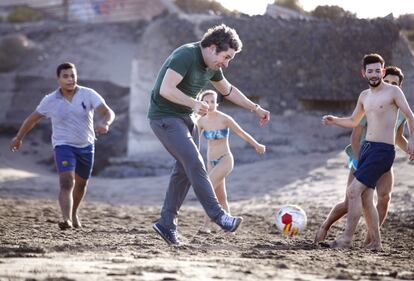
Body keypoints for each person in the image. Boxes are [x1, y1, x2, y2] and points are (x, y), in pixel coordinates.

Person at [147, 24, 270, 246]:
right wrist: (194, 103)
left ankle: (166, 224)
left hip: (186, 120)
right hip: (164, 117)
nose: (227, 63)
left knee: (182, 172)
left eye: (230, 59)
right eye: (226, 56)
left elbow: (228, 90)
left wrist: (255, 108)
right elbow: (165, 89)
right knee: (195, 162)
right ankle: (218, 215)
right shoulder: (185, 55)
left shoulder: (213, 66)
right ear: (212, 47)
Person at [321, 54, 414, 250]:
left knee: (353, 191)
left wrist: (412, 141)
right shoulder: (364, 96)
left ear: (382, 70)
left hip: (382, 151)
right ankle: (375, 243)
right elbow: (354, 121)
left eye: (377, 70)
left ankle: (346, 239)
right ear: (364, 73)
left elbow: (410, 115)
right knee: (364, 197)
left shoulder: (393, 91)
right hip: (367, 149)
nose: (374, 74)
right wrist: (335, 119)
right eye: (369, 71)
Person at [10, 62, 115, 230]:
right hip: (63, 145)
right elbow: (32, 119)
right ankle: (66, 219)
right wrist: (19, 137)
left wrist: (106, 123)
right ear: (58, 79)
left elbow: (108, 112)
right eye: (65, 76)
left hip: (86, 145)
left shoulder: (88, 94)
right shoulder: (50, 100)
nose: (70, 79)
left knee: (81, 184)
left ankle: (74, 214)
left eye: (73, 75)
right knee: (66, 183)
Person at [197, 90, 266, 234]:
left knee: (207, 188)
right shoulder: (201, 121)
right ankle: (229, 228)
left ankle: (206, 226)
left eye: (213, 101)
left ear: (217, 103)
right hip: (211, 162)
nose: (210, 104)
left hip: (225, 159)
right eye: (206, 101)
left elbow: (241, 133)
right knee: (221, 196)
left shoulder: (225, 119)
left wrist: (256, 145)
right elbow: (193, 140)